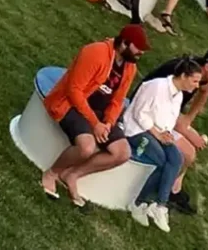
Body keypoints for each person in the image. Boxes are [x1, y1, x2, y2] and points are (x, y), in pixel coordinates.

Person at [40, 25, 149, 207]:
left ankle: (72, 175)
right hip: (72, 105)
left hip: (100, 114)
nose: (141, 53)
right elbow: (74, 90)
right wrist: (94, 123)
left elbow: (118, 100)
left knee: (123, 153)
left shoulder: (130, 68)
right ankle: (51, 173)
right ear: (124, 43)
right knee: (87, 148)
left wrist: (107, 122)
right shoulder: (95, 52)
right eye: (138, 48)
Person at [141, 49, 208, 215]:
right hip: (151, 115)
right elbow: (163, 112)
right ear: (207, 66)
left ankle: (172, 187)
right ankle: (165, 191)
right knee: (188, 154)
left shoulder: (200, 77)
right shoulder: (183, 75)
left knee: (189, 149)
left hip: (166, 116)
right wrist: (187, 132)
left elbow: (205, 90)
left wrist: (188, 119)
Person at [121, 57, 201, 232]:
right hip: (136, 130)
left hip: (158, 133)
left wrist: (166, 134)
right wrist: (157, 133)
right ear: (183, 76)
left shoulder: (178, 96)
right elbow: (138, 113)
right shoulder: (155, 86)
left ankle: (153, 205)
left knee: (177, 159)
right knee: (162, 160)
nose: (196, 86)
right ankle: (147, 203)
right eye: (194, 81)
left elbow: (168, 121)